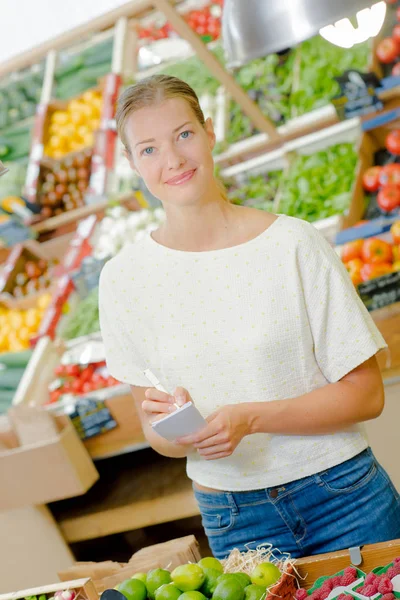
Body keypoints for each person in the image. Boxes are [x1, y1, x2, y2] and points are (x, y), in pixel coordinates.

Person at [99, 74, 400, 559]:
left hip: (344, 498)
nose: (173, 160)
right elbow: (158, 434)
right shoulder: (122, 280)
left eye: (183, 135)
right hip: (232, 518)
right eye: (149, 149)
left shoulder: (293, 244)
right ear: (133, 163)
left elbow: (366, 395)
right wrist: (182, 429)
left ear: (209, 132)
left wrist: (252, 418)